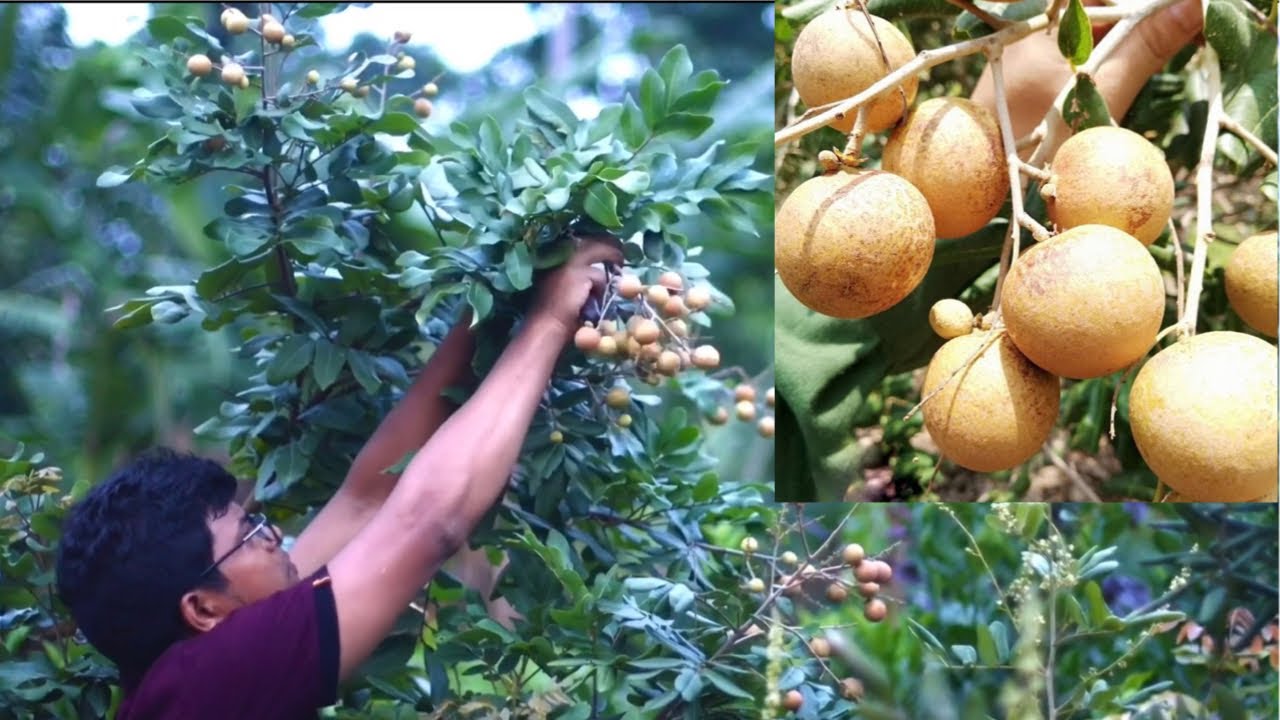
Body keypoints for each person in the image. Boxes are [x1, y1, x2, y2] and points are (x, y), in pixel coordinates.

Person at [54, 238, 623, 719]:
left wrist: (494, 299)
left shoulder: (186, 676)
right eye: (250, 535)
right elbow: (429, 523)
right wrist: (550, 321)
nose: (276, 535)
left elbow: (366, 499)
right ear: (202, 609)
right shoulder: (219, 675)